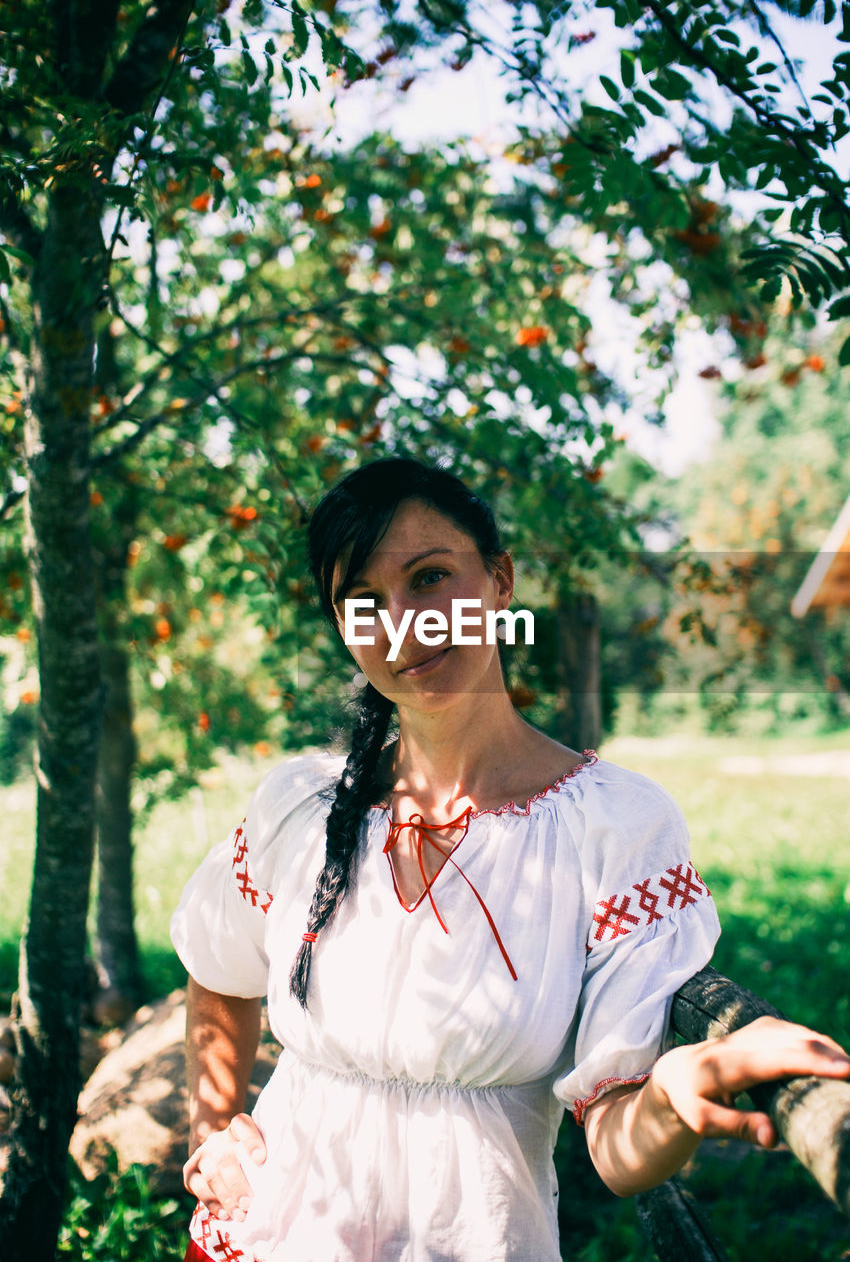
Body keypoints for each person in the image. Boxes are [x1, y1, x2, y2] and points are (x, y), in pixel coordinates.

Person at [171, 457, 850, 1262]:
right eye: (364, 604)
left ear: (498, 581)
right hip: (263, 1236)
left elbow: (618, 1145)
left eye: (429, 578)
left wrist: (673, 1093)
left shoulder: (614, 827)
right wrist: (215, 1132)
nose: (403, 624)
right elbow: (218, 966)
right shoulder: (301, 804)